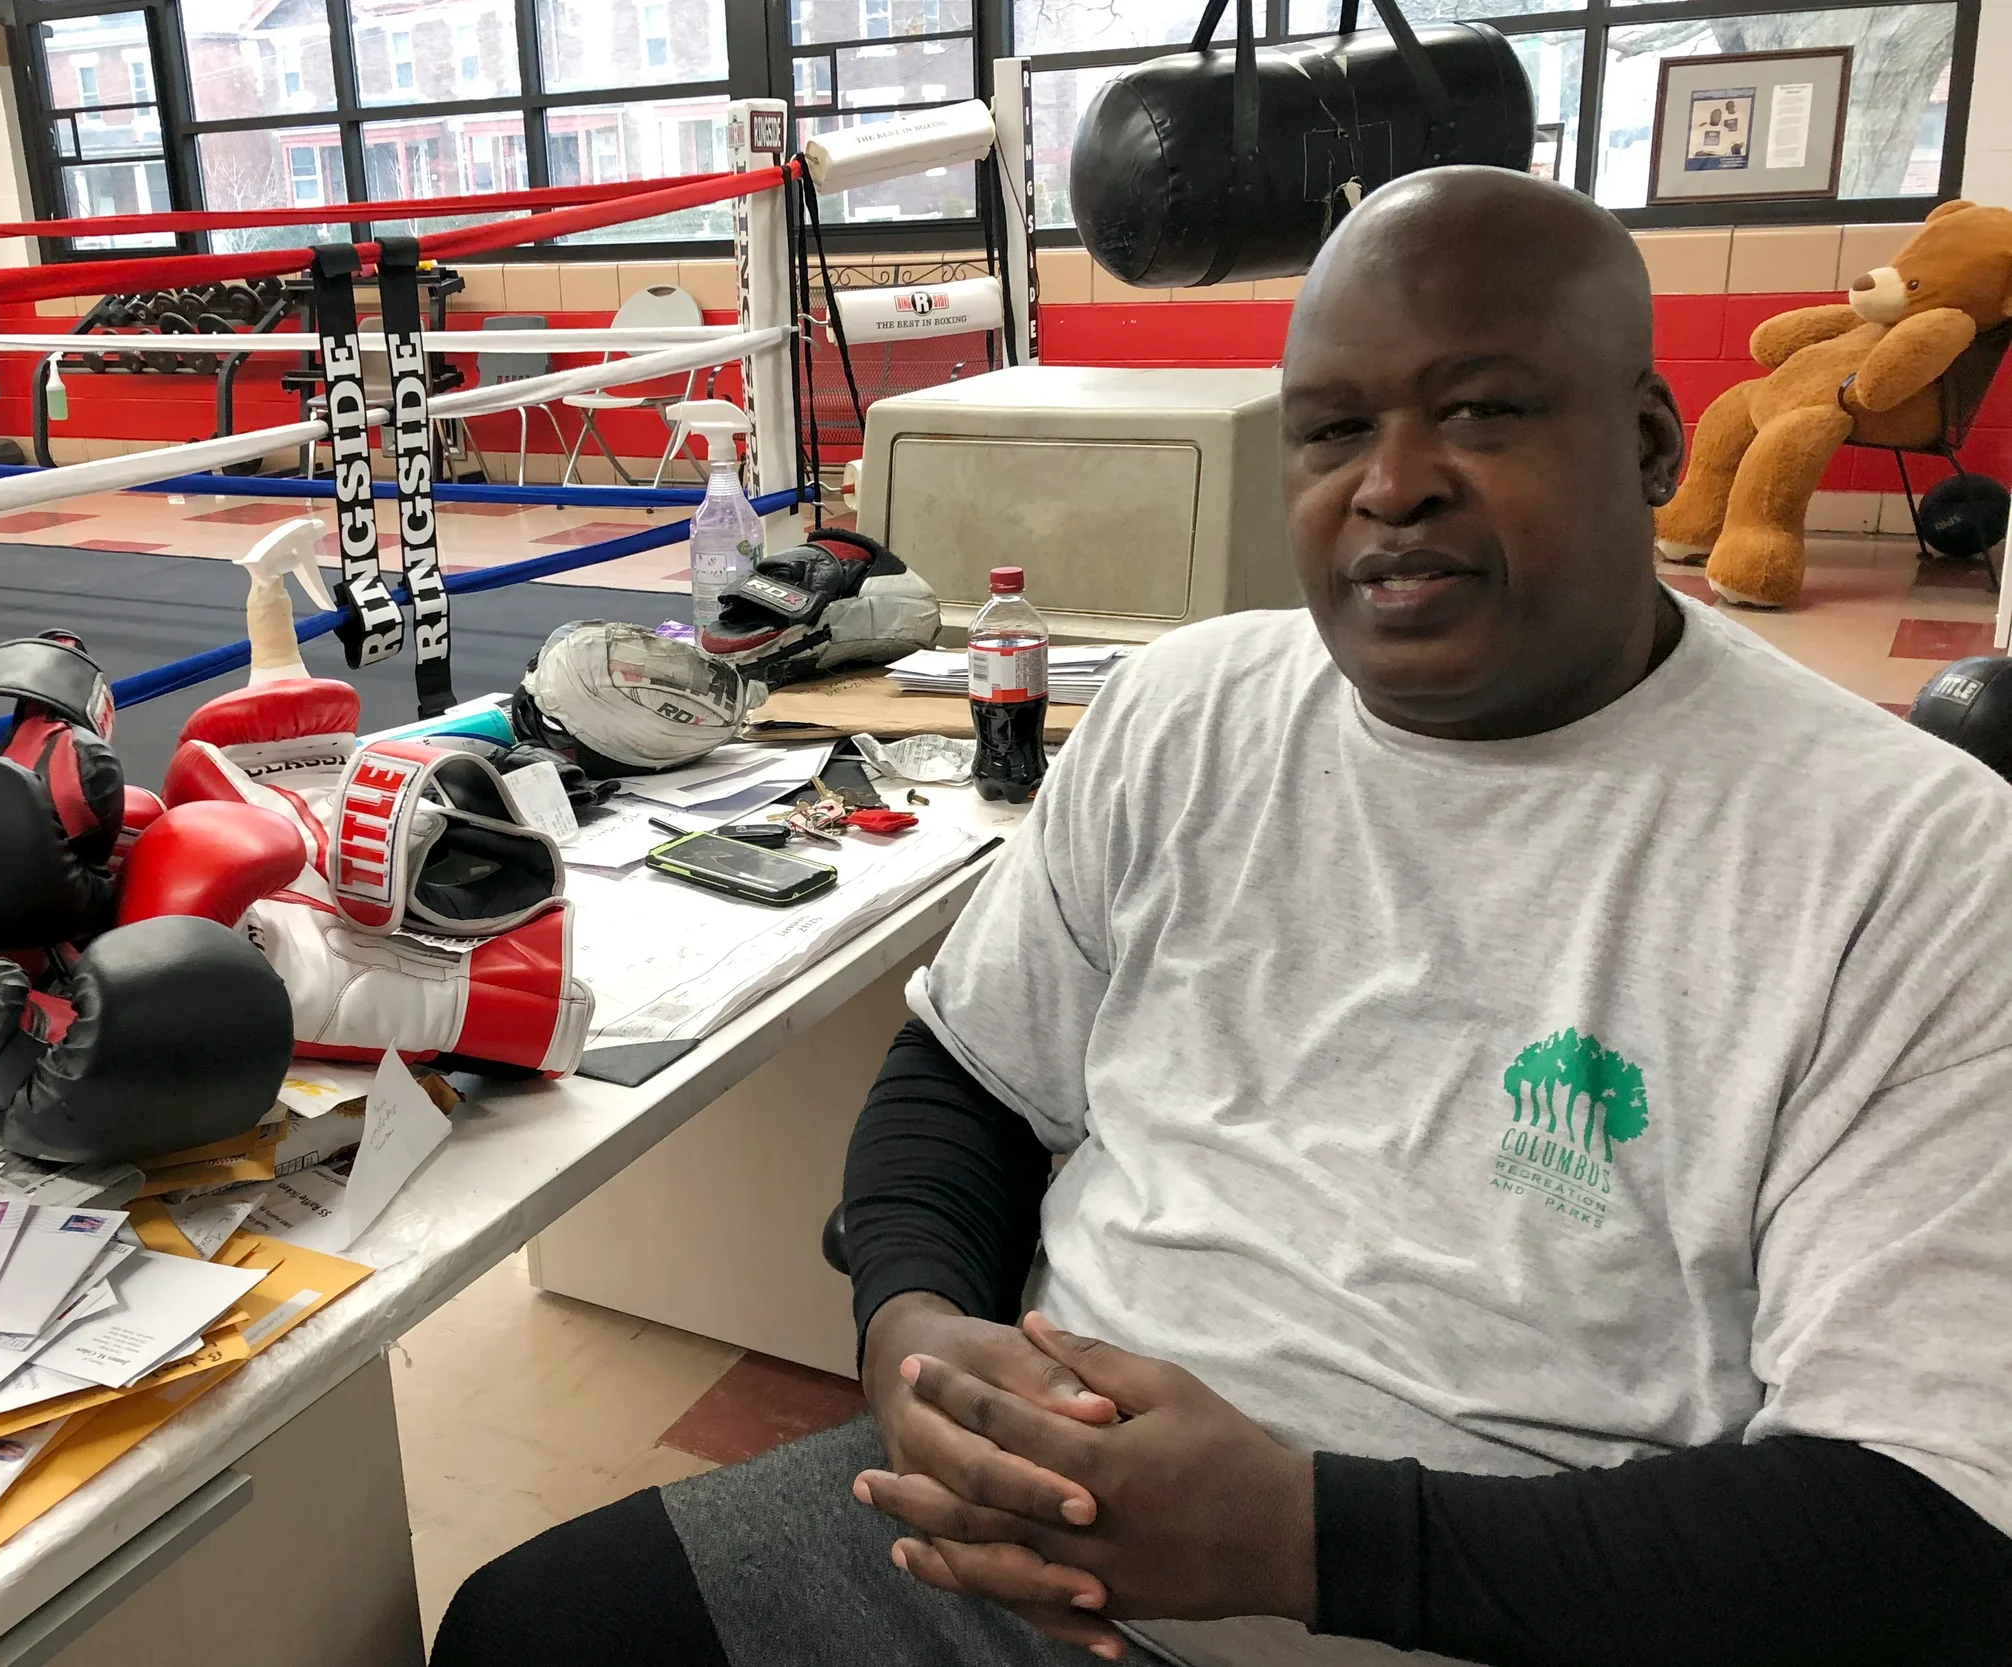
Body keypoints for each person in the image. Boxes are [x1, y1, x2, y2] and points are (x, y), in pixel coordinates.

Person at [430, 166, 2012, 1666]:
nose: (1392, 484)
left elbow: (1941, 1527)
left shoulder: (1911, 862)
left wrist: (1306, 1544)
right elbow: (971, 1074)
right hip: (1018, 1556)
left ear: (1656, 440)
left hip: (1504, 1616)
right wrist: (910, 1331)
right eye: (1331, 430)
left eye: (1482, 408)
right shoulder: (1188, 708)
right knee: (529, 1628)